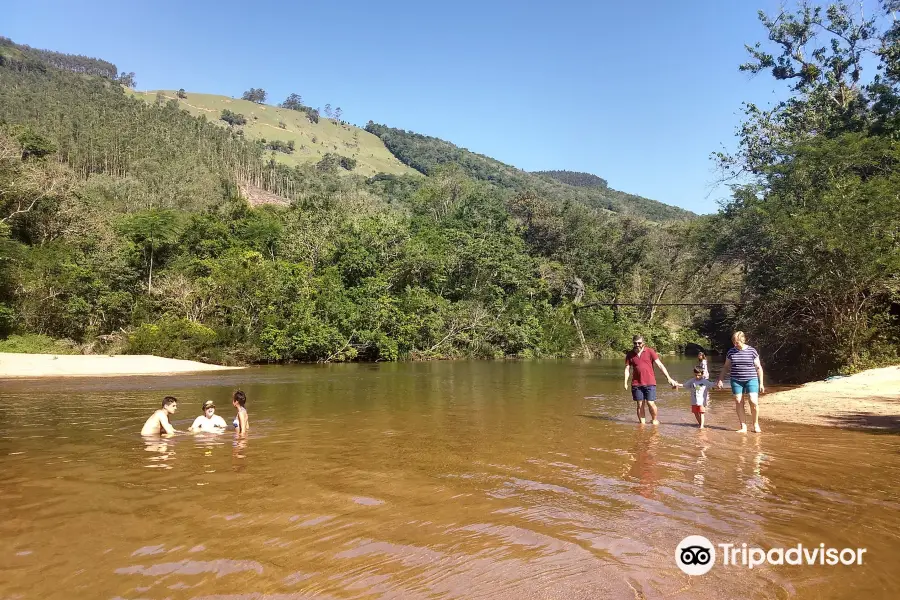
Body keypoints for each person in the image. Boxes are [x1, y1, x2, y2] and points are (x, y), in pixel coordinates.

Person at [715, 331, 766, 433]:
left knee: (753, 401)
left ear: (743, 340)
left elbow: (759, 367)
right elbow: (726, 367)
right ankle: (743, 426)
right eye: (734, 341)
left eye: (737, 342)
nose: (735, 344)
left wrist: (761, 383)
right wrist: (720, 380)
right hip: (736, 380)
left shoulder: (752, 351)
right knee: (739, 401)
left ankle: (755, 424)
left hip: (751, 378)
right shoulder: (731, 352)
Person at [624, 335, 677, 425]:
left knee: (650, 403)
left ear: (643, 343)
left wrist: (668, 378)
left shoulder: (650, 351)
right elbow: (627, 369)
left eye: (639, 343)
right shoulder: (630, 354)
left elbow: (660, 365)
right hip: (636, 383)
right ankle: (642, 424)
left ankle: (654, 420)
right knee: (640, 404)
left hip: (650, 382)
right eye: (635, 343)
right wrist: (625, 382)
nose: (637, 345)